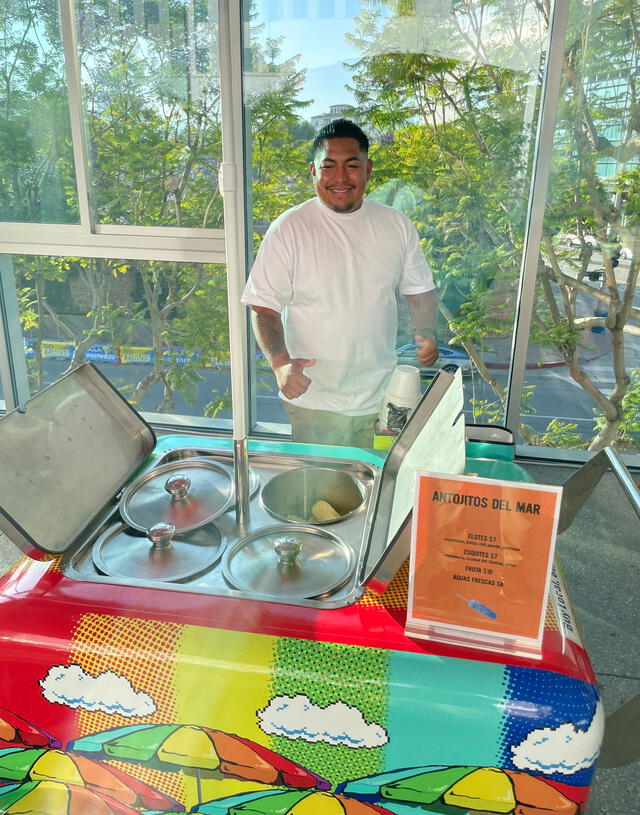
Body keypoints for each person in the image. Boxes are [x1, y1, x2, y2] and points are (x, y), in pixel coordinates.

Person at [241, 118, 438, 447]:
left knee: (378, 489)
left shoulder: (395, 224)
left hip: (383, 396)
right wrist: (280, 365)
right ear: (313, 171)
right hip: (317, 399)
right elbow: (263, 306)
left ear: (368, 169)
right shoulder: (289, 229)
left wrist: (428, 332)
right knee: (322, 495)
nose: (340, 177)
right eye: (328, 166)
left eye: (352, 166)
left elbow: (419, 291)